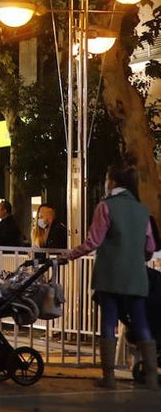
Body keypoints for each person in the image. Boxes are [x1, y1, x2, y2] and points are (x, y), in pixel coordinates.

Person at [66, 163, 157, 389]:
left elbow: (93, 242)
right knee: (141, 322)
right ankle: (153, 378)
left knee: (108, 323)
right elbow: (149, 247)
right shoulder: (142, 210)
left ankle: (109, 378)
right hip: (136, 276)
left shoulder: (105, 207)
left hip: (110, 275)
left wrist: (71, 254)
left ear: (112, 182)